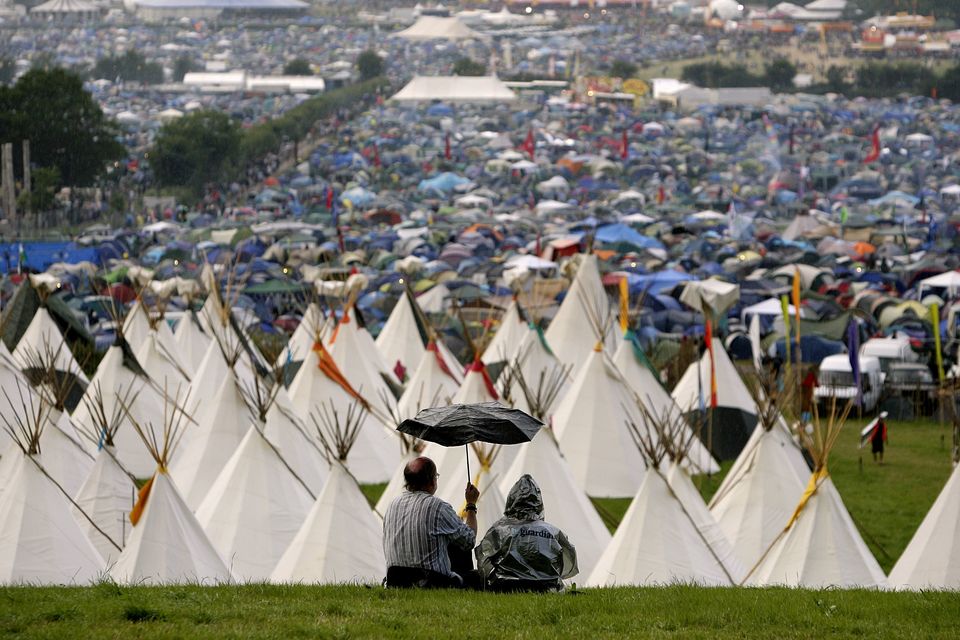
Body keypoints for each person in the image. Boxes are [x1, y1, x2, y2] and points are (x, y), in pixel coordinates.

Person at [382, 456, 481, 589]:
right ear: (431, 481)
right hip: (431, 582)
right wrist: (471, 505)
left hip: (396, 582)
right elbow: (469, 539)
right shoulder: (437, 507)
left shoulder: (392, 505)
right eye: (436, 476)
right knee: (477, 576)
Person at [475, 475, 577, 592]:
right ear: (539, 503)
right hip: (546, 588)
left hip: (506, 587)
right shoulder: (554, 532)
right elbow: (569, 564)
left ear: (511, 501)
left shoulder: (500, 530)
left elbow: (483, 559)